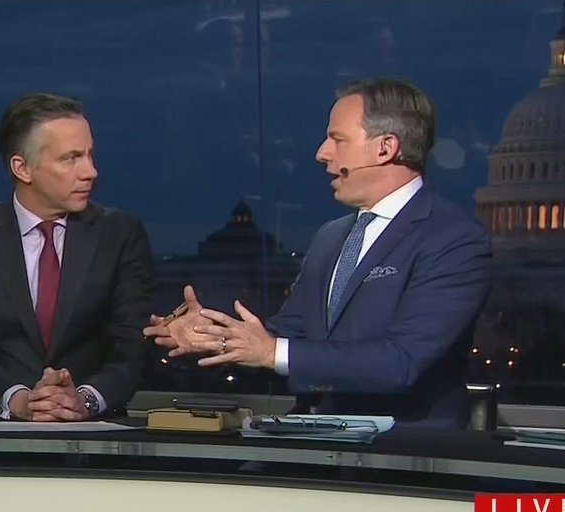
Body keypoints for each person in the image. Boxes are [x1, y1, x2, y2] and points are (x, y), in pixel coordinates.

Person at [145, 79, 491, 428]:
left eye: (338, 140)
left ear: (385, 148)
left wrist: (270, 351)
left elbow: (401, 362)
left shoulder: (453, 239)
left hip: (405, 452)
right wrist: (214, 337)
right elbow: (286, 337)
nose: (322, 153)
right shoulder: (330, 237)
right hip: (318, 444)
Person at [0, 93, 155, 421]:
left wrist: (84, 400)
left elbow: (133, 349)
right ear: (22, 168)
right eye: (71, 158)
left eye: (90, 155)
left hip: (96, 437)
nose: (91, 171)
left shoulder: (120, 235)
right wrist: (20, 400)